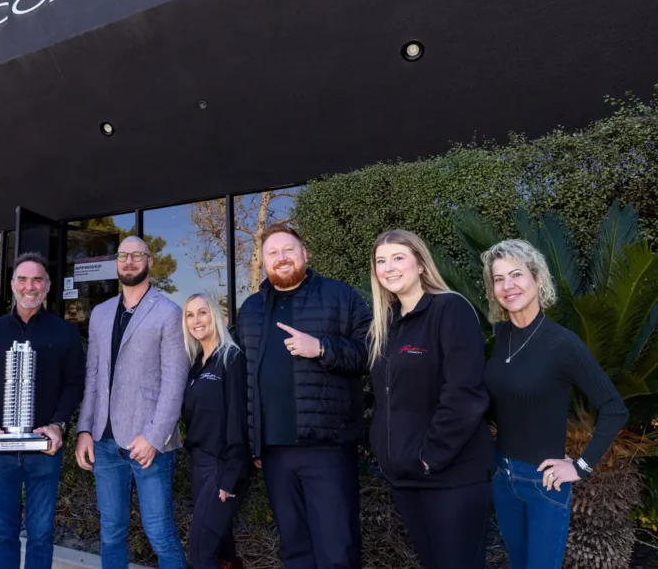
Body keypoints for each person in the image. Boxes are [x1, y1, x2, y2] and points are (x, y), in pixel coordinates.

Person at [482, 239, 628, 569]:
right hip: (502, 477)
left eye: (517, 274)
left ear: (537, 278)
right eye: (499, 279)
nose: (508, 286)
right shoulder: (501, 335)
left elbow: (614, 407)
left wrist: (580, 466)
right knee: (517, 562)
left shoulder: (562, 343)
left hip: (544, 482)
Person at [237, 223, 371, 569]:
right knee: (294, 549)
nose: (281, 258)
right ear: (263, 262)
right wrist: (253, 441)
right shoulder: (250, 309)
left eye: (288, 250)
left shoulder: (341, 296)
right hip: (274, 453)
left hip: (327, 449)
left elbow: (371, 352)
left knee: (337, 548)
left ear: (304, 254)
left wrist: (323, 348)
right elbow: (244, 379)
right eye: (272, 253)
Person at [367, 230, 494, 569]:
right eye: (381, 261)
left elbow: (464, 394)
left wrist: (429, 457)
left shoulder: (450, 309)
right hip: (405, 477)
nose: (388, 267)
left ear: (421, 264)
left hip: (451, 475)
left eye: (398, 258)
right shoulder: (386, 325)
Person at [74, 236, 190, 569]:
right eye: (123, 255)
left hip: (148, 443)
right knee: (111, 532)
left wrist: (154, 437)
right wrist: (84, 429)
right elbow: (93, 377)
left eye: (137, 255)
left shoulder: (169, 312)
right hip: (104, 443)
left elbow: (174, 382)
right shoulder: (99, 314)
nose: (129, 261)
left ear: (150, 262)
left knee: (160, 533)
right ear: (116, 264)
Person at [0, 252, 85, 569]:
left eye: (37, 279)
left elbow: (74, 384)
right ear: (12, 285)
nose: (29, 286)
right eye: (22, 279)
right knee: (3, 533)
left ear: (47, 286)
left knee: (41, 534)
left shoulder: (66, 333)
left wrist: (58, 423)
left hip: (43, 451)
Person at [181, 293, 249, 569]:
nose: (196, 320)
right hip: (199, 463)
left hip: (222, 466)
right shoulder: (197, 364)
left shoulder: (231, 358)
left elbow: (239, 420)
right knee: (222, 548)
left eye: (203, 312)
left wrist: (229, 476)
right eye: (189, 315)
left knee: (200, 554)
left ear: (215, 317)